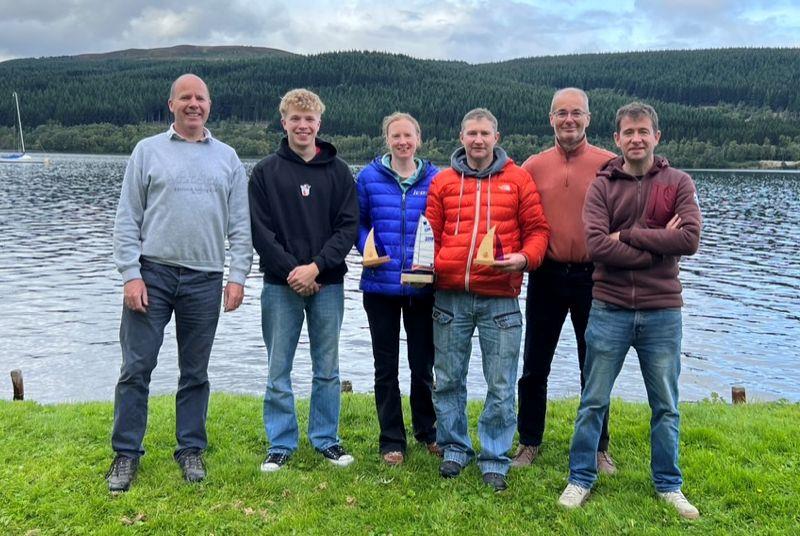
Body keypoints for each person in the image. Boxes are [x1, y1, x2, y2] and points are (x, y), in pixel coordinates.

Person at [107, 73, 253, 492]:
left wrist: (237, 276)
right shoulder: (147, 151)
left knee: (195, 372)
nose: (194, 104)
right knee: (136, 367)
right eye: (185, 97)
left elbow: (240, 225)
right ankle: (126, 454)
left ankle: (190, 449)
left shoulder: (227, 157)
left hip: (206, 278)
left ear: (209, 105)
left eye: (201, 98)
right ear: (171, 104)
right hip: (152, 273)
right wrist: (130, 274)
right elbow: (126, 219)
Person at [558, 102, 702, 520]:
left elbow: (689, 239)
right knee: (593, 400)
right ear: (617, 139)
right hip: (610, 307)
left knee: (666, 404)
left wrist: (632, 236)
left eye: (644, 131)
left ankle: (669, 485)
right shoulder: (601, 186)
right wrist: (658, 245)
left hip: (662, 311)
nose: (636, 138)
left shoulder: (678, 182)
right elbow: (598, 247)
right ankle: (580, 477)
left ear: (657, 136)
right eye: (628, 132)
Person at [426, 108, 550, 491]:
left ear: (496, 136)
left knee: (500, 382)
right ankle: (454, 448)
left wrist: (525, 258)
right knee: (448, 379)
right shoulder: (444, 181)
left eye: (484, 133)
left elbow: (538, 230)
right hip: (450, 297)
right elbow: (428, 232)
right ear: (461, 137)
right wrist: (427, 266)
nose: (478, 140)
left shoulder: (518, 179)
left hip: (501, 299)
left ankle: (495, 455)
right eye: (471, 133)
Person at [249, 88, 358, 472]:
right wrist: (293, 271)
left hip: (328, 284)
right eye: (295, 118)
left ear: (319, 124)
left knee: (327, 367)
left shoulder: (339, 171)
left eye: (309, 119)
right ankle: (280, 443)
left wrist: (316, 267)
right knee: (279, 367)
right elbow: (260, 232)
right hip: (280, 286)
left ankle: (326, 439)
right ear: (284, 122)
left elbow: (347, 229)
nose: (302, 125)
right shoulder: (265, 172)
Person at [513, 88, 617, 471]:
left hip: (596, 277)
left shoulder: (610, 163)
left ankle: (598, 446)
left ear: (588, 118)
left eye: (576, 113)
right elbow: (513, 216)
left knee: (595, 365)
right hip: (547, 274)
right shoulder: (533, 166)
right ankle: (529, 442)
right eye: (562, 113)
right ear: (551, 118)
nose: (569, 119)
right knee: (534, 364)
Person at [356, 112, 440, 466]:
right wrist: (366, 248)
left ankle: (428, 430)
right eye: (396, 136)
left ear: (418, 139)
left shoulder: (436, 178)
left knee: (423, 365)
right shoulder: (368, 177)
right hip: (380, 287)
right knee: (385, 366)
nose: (402, 142)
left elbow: (443, 224)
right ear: (387, 139)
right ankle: (392, 439)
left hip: (422, 287)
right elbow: (358, 223)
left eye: (408, 135)